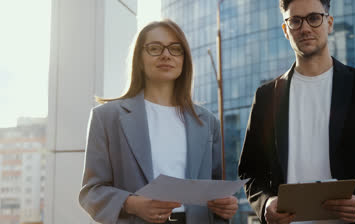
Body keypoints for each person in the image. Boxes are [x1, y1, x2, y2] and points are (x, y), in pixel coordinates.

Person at [238, 0, 355, 224]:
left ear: (329, 23)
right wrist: (265, 204)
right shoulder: (266, 96)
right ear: (286, 30)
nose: (305, 28)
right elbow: (250, 171)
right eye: (295, 21)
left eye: (314, 18)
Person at [79, 19, 238, 224]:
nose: (166, 55)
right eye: (155, 48)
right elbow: (92, 192)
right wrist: (131, 203)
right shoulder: (107, 117)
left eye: (175, 49)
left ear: (184, 59)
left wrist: (225, 206)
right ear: (139, 59)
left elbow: (217, 188)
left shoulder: (207, 122)